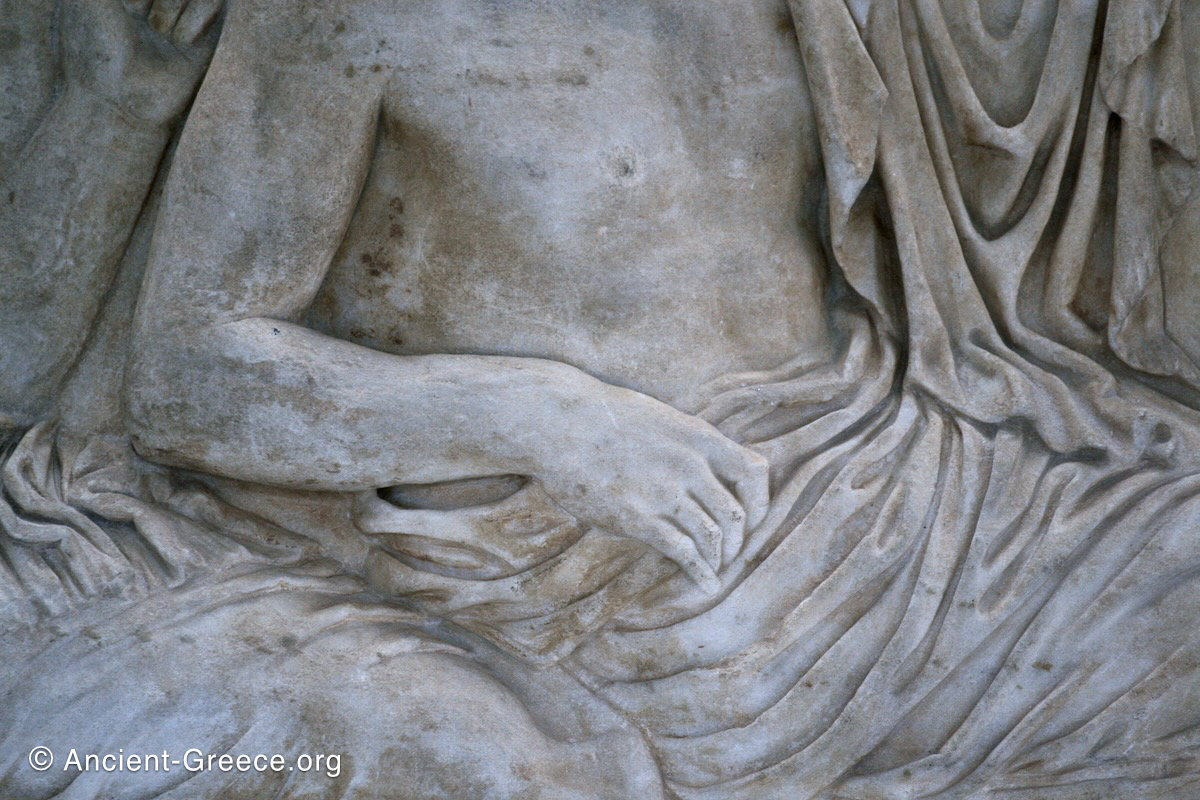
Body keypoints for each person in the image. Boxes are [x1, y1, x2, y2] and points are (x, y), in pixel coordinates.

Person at [4, 0, 1200, 797]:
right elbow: (188, 375)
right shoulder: (347, 17)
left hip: (871, 497)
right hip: (559, 582)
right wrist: (544, 417)